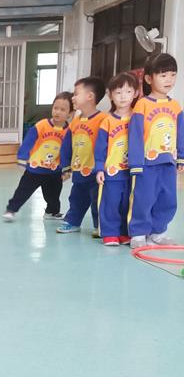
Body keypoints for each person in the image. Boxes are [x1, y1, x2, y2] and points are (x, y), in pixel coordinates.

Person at [127, 52, 184, 249]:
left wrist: (181, 157)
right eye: (163, 75)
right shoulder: (142, 105)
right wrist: (136, 163)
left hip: (168, 162)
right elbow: (135, 135)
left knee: (167, 199)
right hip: (146, 163)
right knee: (143, 198)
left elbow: (180, 133)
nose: (169, 79)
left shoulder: (175, 106)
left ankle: (158, 232)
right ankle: (138, 233)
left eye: (173, 74)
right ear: (149, 79)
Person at [2, 92, 72, 221]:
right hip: (35, 168)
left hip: (54, 170)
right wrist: (22, 158)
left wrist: (67, 169)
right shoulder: (42, 125)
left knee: (54, 194)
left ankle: (52, 212)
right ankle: (11, 209)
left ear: (70, 113)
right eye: (55, 108)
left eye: (63, 109)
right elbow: (28, 141)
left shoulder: (69, 131)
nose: (57, 112)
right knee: (23, 191)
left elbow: (68, 151)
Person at [56, 76, 108, 235]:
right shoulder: (76, 121)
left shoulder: (103, 119)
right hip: (79, 169)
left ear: (90, 96)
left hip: (96, 171)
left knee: (97, 200)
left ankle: (100, 226)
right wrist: (66, 166)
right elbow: (66, 144)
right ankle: (72, 222)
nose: (73, 97)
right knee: (76, 198)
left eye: (76, 94)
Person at [94, 72, 137, 246]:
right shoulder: (107, 121)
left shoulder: (138, 117)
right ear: (110, 95)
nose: (123, 96)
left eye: (128, 92)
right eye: (118, 92)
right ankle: (110, 232)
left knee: (128, 202)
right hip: (112, 171)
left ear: (135, 93)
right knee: (110, 202)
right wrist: (99, 168)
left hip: (133, 171)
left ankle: (124, 232)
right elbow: (100, 147)